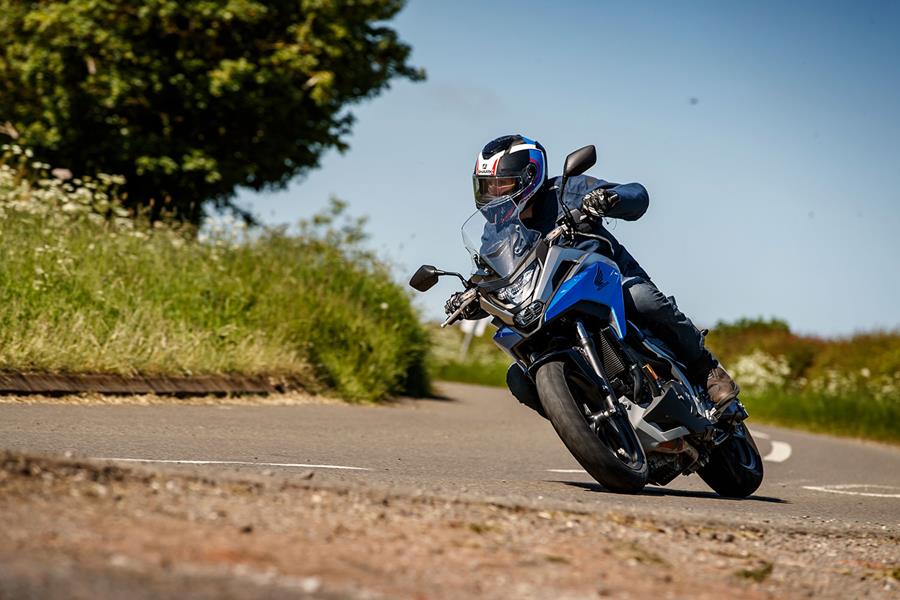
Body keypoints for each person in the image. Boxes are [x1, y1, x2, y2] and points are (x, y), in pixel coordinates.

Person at [449, 134, 740, 411]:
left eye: (502, 185)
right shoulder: (495, 233)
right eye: (487, 187)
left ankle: (708, 370)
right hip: (547, 304)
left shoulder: (566, 190)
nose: (494, 194)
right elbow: (490, 272)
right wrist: (472, 295)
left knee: (642, 298)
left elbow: (637, 195)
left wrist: (609, 198)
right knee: (518, 378)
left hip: (609, 281)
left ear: (529, 177)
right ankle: (593, 425)